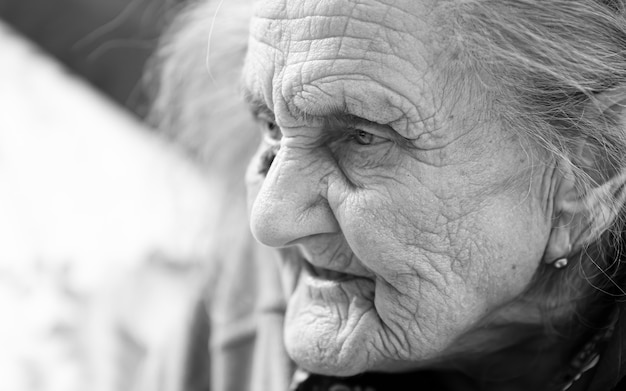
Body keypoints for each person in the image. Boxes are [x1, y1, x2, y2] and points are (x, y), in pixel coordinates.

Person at [145, 0, 626, 390]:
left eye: (362, 136)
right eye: (272, 125)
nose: (270, 222)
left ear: (588, 171)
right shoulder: (246, 297)